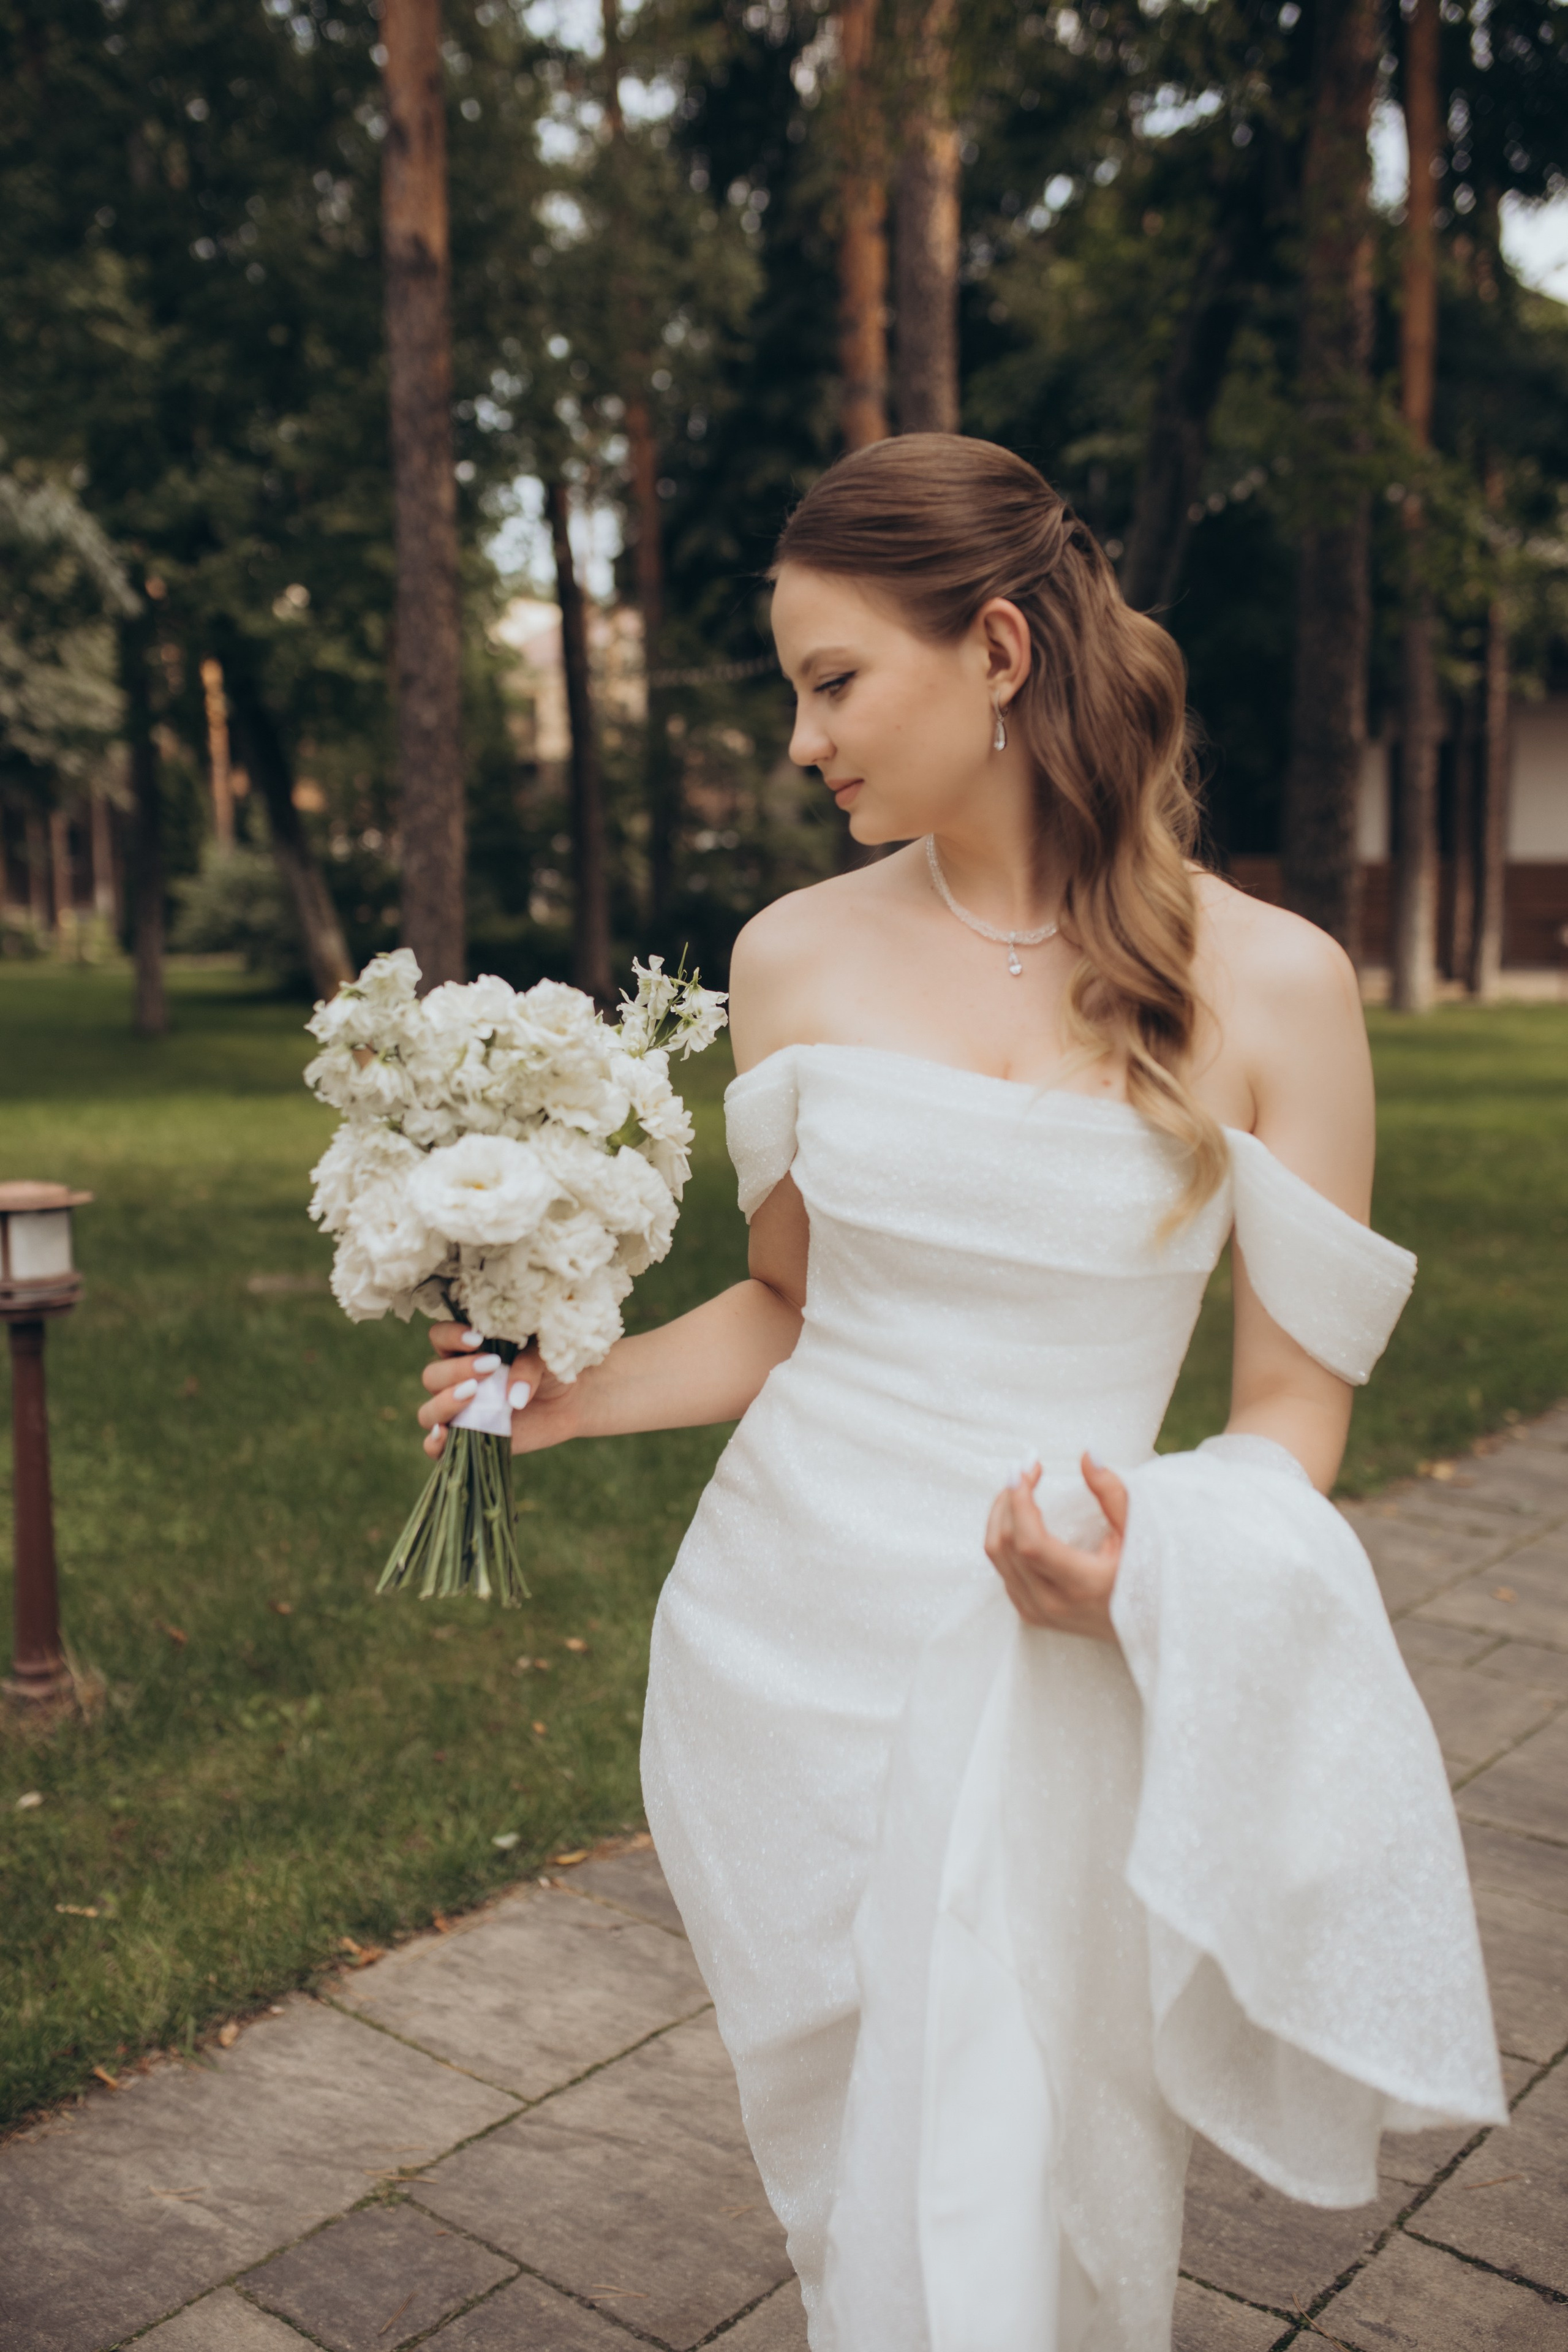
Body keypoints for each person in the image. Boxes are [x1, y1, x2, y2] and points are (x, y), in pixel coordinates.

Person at [415, 436, 1502, 2350]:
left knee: (1013, 2181)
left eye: (835, 682)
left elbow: (1294, 1417)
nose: (804, 739)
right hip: (785, 1651)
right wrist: (562, 1395)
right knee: (864, 2197)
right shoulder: (792, 957)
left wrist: (1145, 1560)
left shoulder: (1281, 984)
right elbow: (782, 1307)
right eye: (793, 693)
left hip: (1048, 1652)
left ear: (997, 649)